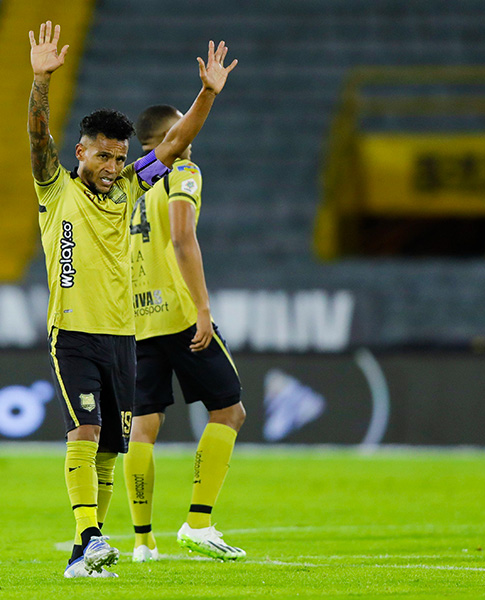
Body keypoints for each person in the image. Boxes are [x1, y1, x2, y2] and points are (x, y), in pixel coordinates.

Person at [28, 20, 237, 578]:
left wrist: (208, 94)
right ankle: (90, 535)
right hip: (72, 332)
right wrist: (41, 82)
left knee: (110, 450)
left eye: (119, 159)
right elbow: (37, 135)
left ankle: (84, 554)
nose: (112, 168)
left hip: (124, 336)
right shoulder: (56, 186)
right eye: (103, 157)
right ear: (81, 152)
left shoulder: (129, 188)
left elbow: (173, 142)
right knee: (87, 431)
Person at [123, 104, 247, 562]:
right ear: (170, 135)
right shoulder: (182, 171)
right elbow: (181, 237)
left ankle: (142, 542)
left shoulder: (128, 191)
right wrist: (203, 308)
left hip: (137, 321)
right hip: (179, 315)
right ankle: (198, 523)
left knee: (143, 426)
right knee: (229, 411)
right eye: (183, 124)